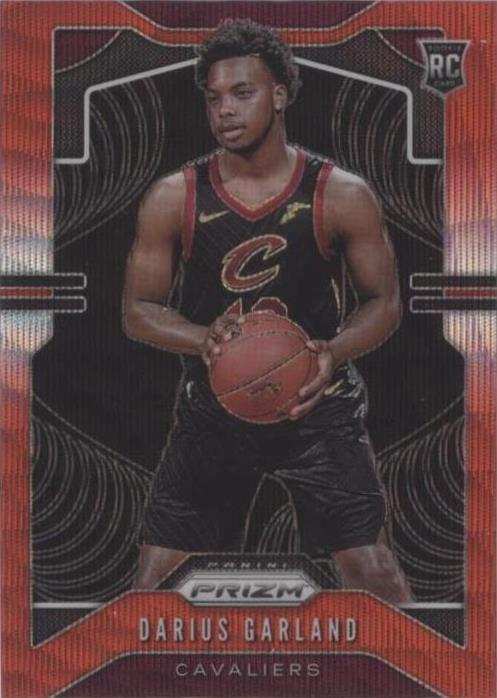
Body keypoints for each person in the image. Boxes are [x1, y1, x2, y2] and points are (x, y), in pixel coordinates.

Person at [123, 19, 412, 602]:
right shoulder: (174, 196)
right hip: (215, 413)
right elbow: (138, 309)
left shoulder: (341, 193)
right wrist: (201, 338)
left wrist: (334, 352)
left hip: (316, 408)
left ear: (279, 96)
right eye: (213, 98)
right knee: (154, 592)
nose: (225, 110)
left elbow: (383, 301)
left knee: (376, 575)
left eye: (242, 93)